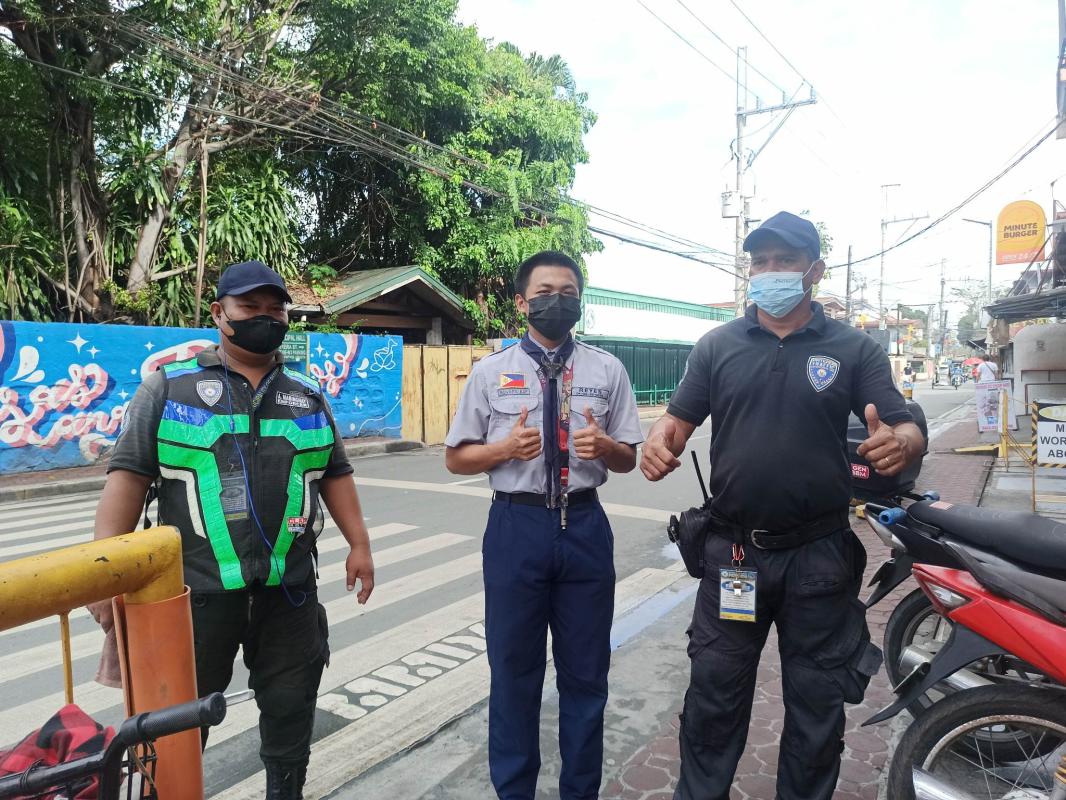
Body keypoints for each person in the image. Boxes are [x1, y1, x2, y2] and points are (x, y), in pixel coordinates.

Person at [640, 211, 926, 800]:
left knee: (818, 709)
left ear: (814, 271)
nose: (770, 272)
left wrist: (903, 444)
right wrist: (657, 441)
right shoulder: (717, 346)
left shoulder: (854, 348)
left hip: (818, 558)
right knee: (713, 702)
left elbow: (902, 426)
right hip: (734, 556)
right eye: (760, 261)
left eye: (785, 260)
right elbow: (676, 420)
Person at [87, 260, 376, 800]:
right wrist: (105, 573)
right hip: (193, 598)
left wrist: (359, 544)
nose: (265, 318)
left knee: (291, 715)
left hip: (289, 595)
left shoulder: (309, 396)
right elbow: (126, 481)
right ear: (220, 314)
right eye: (250, 308)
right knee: (174, 729)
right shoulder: (168, 389)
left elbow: (336, 473)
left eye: (276, 309)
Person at [444, 251, 643, 800]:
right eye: (546, 291)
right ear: (522, 302)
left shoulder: (608, 370)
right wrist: (502, 448)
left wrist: (605, 446)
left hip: (584, 527)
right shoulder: (489, 373)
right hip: (517, 529)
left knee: (586, 678)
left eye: (569, 292)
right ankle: (515, 792)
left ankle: (580, 792)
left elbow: (626, 458)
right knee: (513, 675)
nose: (557, 300)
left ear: (580, 301)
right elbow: (456, 458)